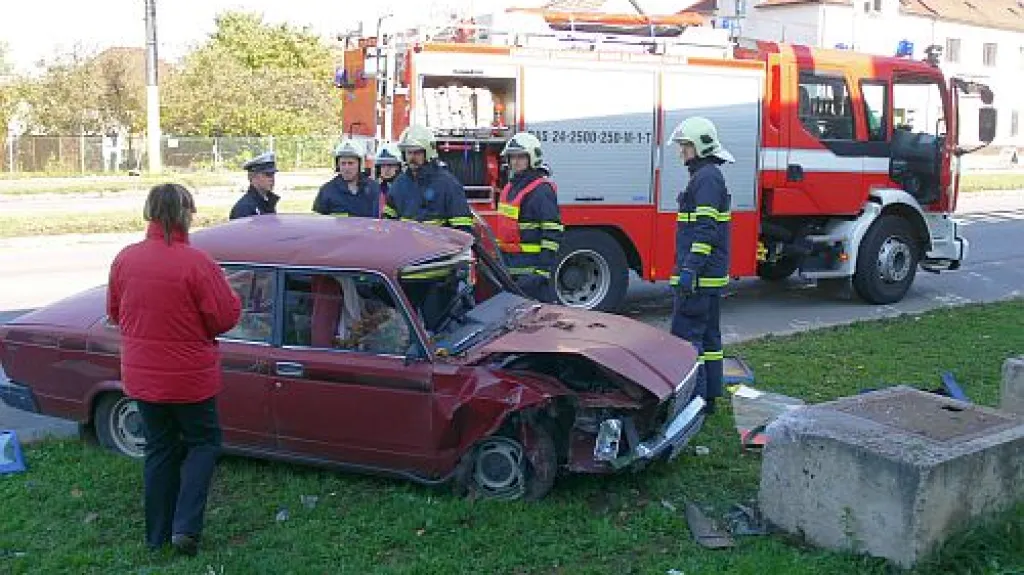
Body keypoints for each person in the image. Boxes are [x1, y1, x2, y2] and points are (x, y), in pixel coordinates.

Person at [106, 183, 241, 556]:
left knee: (160, 449)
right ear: (186, 214)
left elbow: (116, 312)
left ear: (149, 213)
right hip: (191, 379)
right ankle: (186, 526)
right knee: (203, 443)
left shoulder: (125, 259)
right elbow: (223, 318)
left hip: (143, 378)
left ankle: (156, 536)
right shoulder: (197, 263)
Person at [667, 117, 733, 415]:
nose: (681, 152)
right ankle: (709, 398)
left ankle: (693, 401)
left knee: (687, 340)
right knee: (709, 340)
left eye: (685, 146)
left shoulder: (705, 178)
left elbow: (705, 231)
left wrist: (689, 270)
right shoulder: (707, 176)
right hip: (707, 278)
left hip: (699, 279)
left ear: (699, 147)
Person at [495, 132, 563, 303]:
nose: (515, 162)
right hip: (510, 268)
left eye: (521, 157)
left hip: (531, 272)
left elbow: (552, 233)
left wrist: (541, 271)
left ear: (533, 158)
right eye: (512, 157)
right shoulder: (510, 187)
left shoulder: (541, 190)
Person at [383, 124, 475, 235]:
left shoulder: (448, 184)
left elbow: (462, 229)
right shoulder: (399, 183)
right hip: (407, 248)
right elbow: (388, 221)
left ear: (428, 153)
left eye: (417, 152)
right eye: (409, 152)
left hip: (438, 250)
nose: (412, 158)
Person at [312, 139, 382, 218]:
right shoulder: (327, 191)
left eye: (351, 163)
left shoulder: (373, 188)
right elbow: (317, 223)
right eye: (343, 163)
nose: (346, 168)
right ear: (338, 165)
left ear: (360, 165)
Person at [229, 152, 280, 219]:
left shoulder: (267, 203)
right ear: (252, 177)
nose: (272, 179)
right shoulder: (244, 208)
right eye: (268, 174)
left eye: (273, 174)